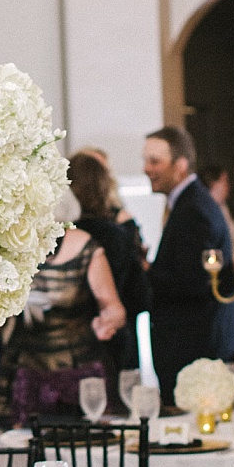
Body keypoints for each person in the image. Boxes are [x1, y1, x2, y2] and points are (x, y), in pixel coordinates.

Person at [142, 126, 234, 404]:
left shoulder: (194, 210)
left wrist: (148, 272)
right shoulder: (190, 203)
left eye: (155, 161)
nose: (147, 168)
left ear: (181, 165)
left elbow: (193, 282)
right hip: (190, 345)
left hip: (190, 348)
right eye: (146, 160)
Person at [0, 216, 126, 420]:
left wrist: (107, 322)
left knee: (85, 444)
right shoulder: (8, 243)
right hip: (27, 366)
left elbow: (113, 307)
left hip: (78, 366)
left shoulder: (84, 246)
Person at [67, 149, 149, 385]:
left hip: (67, 349)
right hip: (111, 344)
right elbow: (140, 297)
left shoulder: (58, 236)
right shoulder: (116, 234)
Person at [200, 164, 234, 267]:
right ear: (213, 183)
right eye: (224, 181)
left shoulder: (223, 208)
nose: (228, 186)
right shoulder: (204, 212)